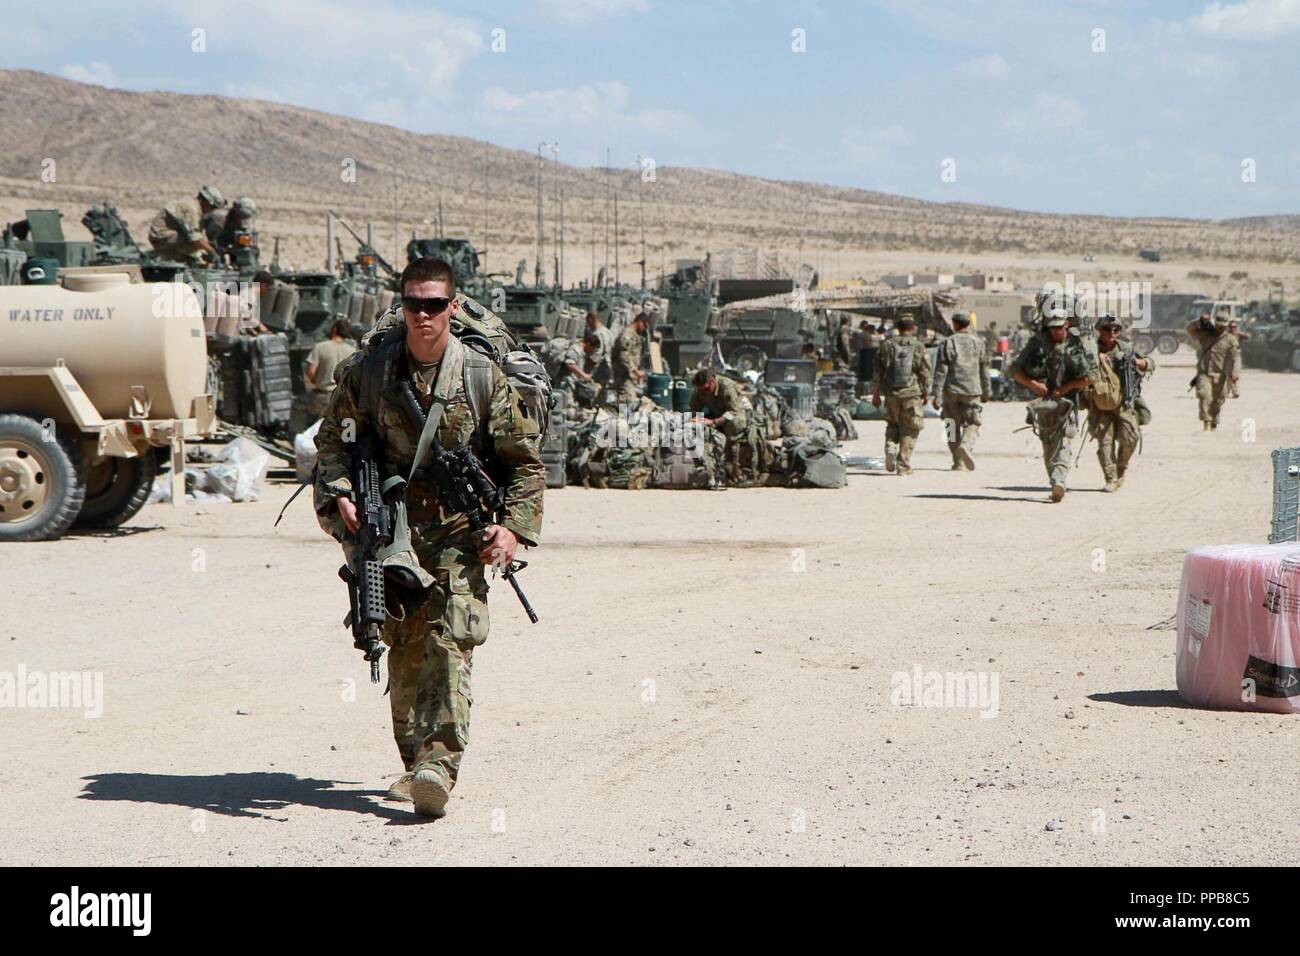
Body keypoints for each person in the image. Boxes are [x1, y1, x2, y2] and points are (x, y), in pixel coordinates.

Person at [313, 257, 544, 819]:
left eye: (435, 304)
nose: (424, 314)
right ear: (402, 306)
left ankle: (441, 764)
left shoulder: (480, 376)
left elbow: (525, 464)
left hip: (461, 529)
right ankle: (416, 760)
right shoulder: (370, 373)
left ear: (453, 307)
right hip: (391, 528)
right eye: (414, 303)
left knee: (450, 639)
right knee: (404, 641)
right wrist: (342, 491)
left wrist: (511, 530)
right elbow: (332, 443)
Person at [1011, 309, 1095, 501]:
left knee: (1063, 442)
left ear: (1066, 325)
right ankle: (1055, 481)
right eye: (1052, 328)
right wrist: (1033, 384)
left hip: (1068, 404)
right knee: (1049, 445)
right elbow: (1014, 370)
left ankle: (1060, 480)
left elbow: (1091, 376)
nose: (1055, 332)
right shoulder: (1038, 344)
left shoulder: (1077, 345)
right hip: (1045, 404)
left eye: (1059, 327)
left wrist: (1067, 388)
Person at [1084, 317, 1153, 492]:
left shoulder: (1125, 348)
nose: (1112, 333)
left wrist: (1136, 362)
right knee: (1105, 441)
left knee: (1131, 437)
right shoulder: (1090, 349)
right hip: (1100, 403)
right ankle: (1110, 477)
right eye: (1108, 329)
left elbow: (1150, 363)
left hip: (1123, 402)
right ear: (1100, 330)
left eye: (1116, 330)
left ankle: (1121, 467)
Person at [871, 314, 930, 475]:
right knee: (910, 429)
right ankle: (903, 466)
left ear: (898, 327)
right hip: (911, 394)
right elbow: (924, 372)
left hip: (891, 394)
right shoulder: (919, 346)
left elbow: (877, 372)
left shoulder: (886, 345)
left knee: (892, 424)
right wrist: (926, 393)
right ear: (913, 327)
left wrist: (875, 394)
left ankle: (890, 448)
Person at [931, 311, 990, 471]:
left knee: (950, 425)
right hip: (971, 391)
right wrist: (986, 391)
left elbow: (940, 371)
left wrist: (936, 395)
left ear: (955, 324)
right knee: (973, 423)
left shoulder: (947, 343)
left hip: (951, 391)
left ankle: (958, 462)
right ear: (968, 324)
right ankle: (966, 444)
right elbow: (984, 369)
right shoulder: (978, 343)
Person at [690, 368, 763, 485]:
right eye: (702, 390)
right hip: (717, 412)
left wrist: (713, 422)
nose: (704, 392)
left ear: (713, 381)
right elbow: (694, 409)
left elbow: (733, 412)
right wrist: (695, 419)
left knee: (735, 424)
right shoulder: (700, 390)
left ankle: (734, 465)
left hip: (738, 413)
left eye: (707, 389)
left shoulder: (727, 387)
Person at [1185, 311, 1238, 430]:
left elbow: (1235, 358)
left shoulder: (1230, 340)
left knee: (1218, 401)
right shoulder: (1205, 335)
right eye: (1218, 325)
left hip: (1221, 375)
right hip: (1204, 373)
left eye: (1223, 326)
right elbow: (1189, 329)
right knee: (1204, 396)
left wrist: (1234, 372)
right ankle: (1206, 423)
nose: (1220, 328)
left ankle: (1214, 421)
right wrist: (1200, 321)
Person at [147, 200, 215, 263]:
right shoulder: (191, 210)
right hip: (161, 238)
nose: (212, 210)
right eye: (212, 207)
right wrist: (212, 252)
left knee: (199, 245)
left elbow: (200, 235)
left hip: (168, 237)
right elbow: (195, 239)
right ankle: (161, 256)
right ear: (206, 203)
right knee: (193, 243)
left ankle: (178, 263)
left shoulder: (196, 208)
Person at [613, 312, 650, 402]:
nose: (644, 329)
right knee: (626, 400)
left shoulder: (635, 335)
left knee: (630, 400)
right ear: (640, 322)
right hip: (624, 374)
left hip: (629, 375)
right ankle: (623, 416)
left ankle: (624, 415)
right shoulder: (627, 335)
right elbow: (623, 356)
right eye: (645, 326)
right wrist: (635, 371)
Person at [556, 333, 600, 409]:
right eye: (593, 348)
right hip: (566, 382)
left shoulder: (581, 351)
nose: (592, 351)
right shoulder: (576, 349)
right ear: (588, 343)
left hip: (573, 382)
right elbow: (569, 363)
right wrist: (584, 375)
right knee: (566, 405)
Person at [584, 310, 614, 385]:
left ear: (590, 320)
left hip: (596, 372)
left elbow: (596, 356)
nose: (587, 325)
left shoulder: (597, 335)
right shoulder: (608, 332)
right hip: (606, 369)